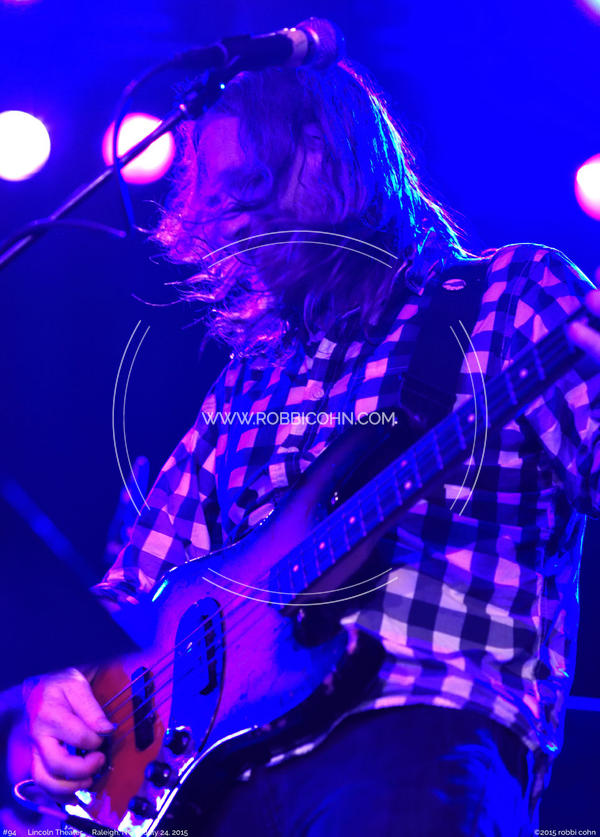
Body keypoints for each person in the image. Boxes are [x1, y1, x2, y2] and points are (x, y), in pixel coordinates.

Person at [23, 58, 600, 836]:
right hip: (215, 781)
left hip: (414, 723)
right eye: (218, 208)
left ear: (331, 158)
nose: (234, 228)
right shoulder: (248, 380)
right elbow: (137, 587)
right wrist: (65, 682)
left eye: (250, 191)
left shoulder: (514, 297)